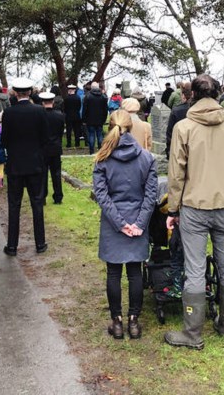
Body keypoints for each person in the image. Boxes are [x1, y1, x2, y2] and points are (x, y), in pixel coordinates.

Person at [165, 74, 224, 350]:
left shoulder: (184, 127)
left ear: (192, 95)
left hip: (194, 207)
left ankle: (193, 332)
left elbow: (176, 173)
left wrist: (172, 208)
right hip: (223, 205)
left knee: (195, 269)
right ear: (219, 93)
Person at [92, 110, 158, 340]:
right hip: (136, 218)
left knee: (113, 272)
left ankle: (117, 322)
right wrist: (138, 223)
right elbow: (151, 196)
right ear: (132, 127)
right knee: (134, 273)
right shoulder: (147, 158)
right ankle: (134, 321)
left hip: (114, 221)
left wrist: (120, 224)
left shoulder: (102, 158)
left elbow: (102, 196)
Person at [1, 77, 49, 256]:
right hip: (35, 164)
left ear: (15, 92)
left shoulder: (8, 113)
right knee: (37, 204)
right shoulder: (39, 111)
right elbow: (45, 138)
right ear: (29, 92)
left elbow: (4, 140)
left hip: (15, 165)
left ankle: (12, 246)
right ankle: (40, 243)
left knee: (14, 205)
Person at [40, 91, 66, 204]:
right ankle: (58, 196)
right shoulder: (60, 115)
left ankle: (42, 196)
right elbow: (60, 132)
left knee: (43, 174)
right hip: (55, 147)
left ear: (42, 102)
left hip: (43, 148)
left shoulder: (39, 116)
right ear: (53, 102)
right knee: (56, 173)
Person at [165, 82, 192, 158]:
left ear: (183, 96)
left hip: (179, 147)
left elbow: (170, 133)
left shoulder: (176, 110)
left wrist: (169, 150)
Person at [82, 82, 109, 155]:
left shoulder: (87, 96)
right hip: (100, 119)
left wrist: (84, 119)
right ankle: (100, 149)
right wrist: (104, 119)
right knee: (99, 135)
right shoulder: (103, 97)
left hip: (90, 119)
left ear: (91, 87)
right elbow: (105, 110)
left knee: (91, 135)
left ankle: (91, 151)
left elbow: (85, 109)